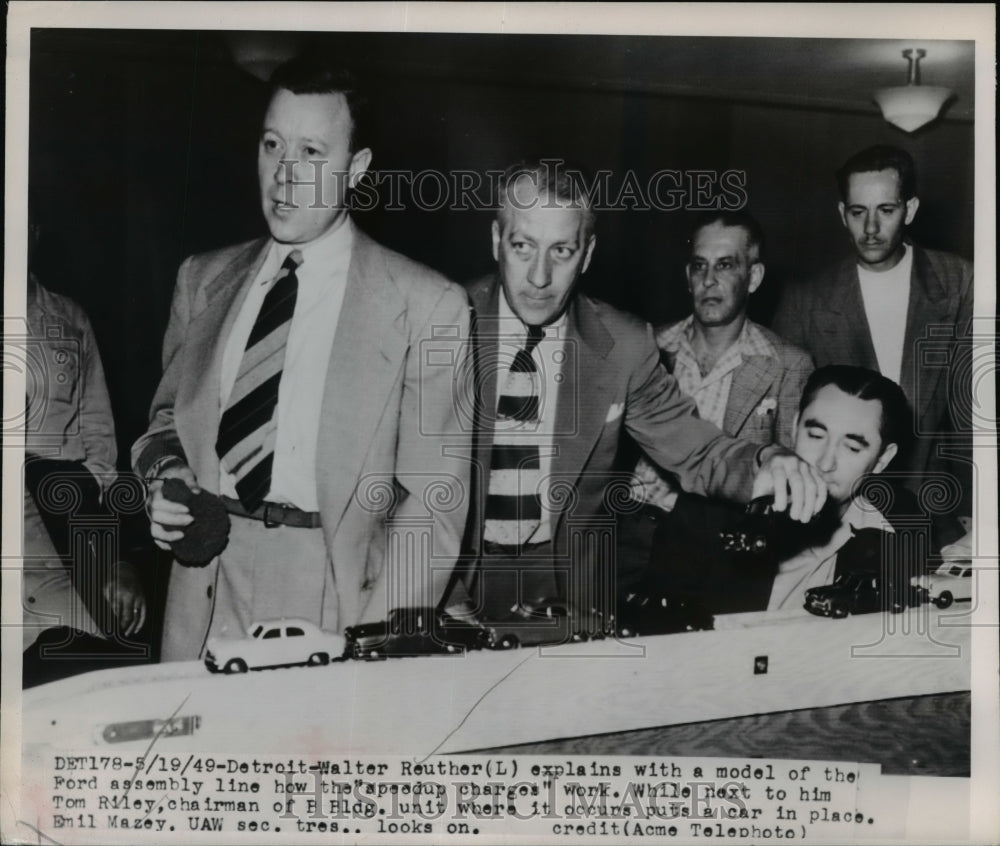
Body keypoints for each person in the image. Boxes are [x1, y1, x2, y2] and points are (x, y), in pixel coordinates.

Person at [133, 59, 471, 661]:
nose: (284, 175)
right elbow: (165, 425)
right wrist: (167, 477)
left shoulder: (427, 304)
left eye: (311, 152)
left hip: (338, 598)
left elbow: (435, 505)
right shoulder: (201, 281)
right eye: (272, 145)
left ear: (356, 169)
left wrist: (375, 641)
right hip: (205, 590)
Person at [450, 160, 828, 626]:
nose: (540, 277)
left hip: (567, 592)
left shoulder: (624, 344)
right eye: (523, 246)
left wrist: (767, 459)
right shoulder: (442, 321)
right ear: (496, 240)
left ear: (587, 254)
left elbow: (698, 451)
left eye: (562, 250)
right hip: (452, 581)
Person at [772, 145, 973, 542]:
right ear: (841, 213)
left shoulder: (961, 282)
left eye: (886, 210)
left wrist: (978, 513)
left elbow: (975, 416)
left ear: (910, 210)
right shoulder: (806, 301)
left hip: (935, 512)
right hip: (832, 516)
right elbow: (788, 424)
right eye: (858, 211)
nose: (870, 228)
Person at [619, 211, 813, 589]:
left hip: (718, 550)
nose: (709, 280)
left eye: (725, 265)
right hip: (628, 536)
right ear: (687, 275)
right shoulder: (646, 346)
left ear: (753, 277)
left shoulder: (788, 365)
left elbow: (785, 483)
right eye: (699, 266)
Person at [642, 366, 916, 614]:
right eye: (815, 435)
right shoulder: (706, 514)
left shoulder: (904, 523)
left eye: (852, 448)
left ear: (882, 460)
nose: (825, 463)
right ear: (794, 428)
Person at [23, 267, 146, 652]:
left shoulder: (70, 317)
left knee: (94, 650)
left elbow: (98, 437)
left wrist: (111, 556)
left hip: (60, 526)